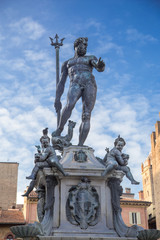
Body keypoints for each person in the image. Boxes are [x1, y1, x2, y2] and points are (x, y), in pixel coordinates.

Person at [54, 37, 105, 146]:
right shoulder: (68, 63)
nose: (84, 49)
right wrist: (57, 99)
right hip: (75, 83)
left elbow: (98, 66)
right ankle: (60, 129)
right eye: (81, 46)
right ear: (75, 47)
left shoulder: (90, 58)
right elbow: (61, 83)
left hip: (89, 84)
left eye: (85, 47)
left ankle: (80, 145)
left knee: (86, 114)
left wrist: (100, 66)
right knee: (69, 105)